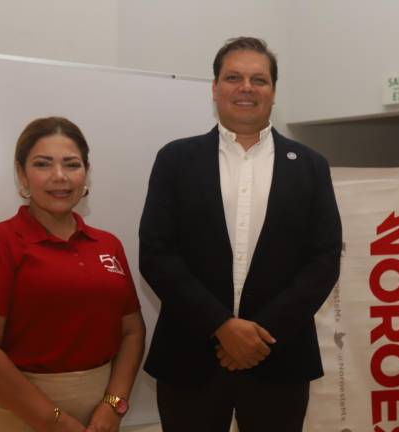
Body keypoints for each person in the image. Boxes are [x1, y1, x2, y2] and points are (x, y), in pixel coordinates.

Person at [139, 37, 342, 432]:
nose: (246, 88)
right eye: (233, 77)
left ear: (273, 91)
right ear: (214, 88)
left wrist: (259, 337)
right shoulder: (175, 160)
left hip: (279, 359)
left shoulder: (311, 166)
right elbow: (157, 254)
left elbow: (323, 260)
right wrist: (221, 326)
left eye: (258, 79)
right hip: (190, 357)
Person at [0, 117, 145, 432]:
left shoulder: (108, 244)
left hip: (99, 418)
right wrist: (53, 421)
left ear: (86, 173)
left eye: (71, 164)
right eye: (43, 164)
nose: (60, 177)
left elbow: (132, 332)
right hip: (13, 414)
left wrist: (114, 405)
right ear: (21, 174)